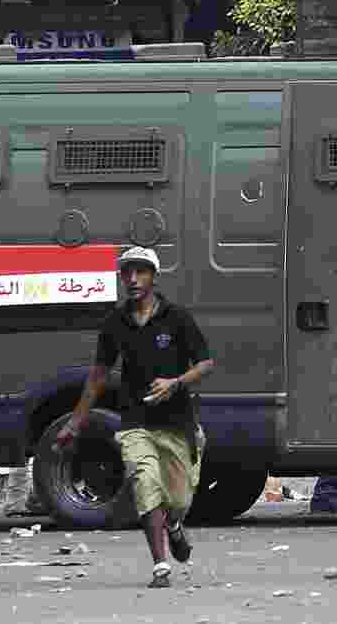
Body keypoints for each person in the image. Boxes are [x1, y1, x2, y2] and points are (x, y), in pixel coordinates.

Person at [54, 247, 214, 589]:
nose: (133, 279)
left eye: (140, 272)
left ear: (154, 276)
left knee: (179, 498)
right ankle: (160, 566)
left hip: (177, 423)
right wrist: (75, 421)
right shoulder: (116, 323)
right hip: (135, 420)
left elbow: (205, 363)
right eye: (127, 273)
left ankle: (174, 524)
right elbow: (98, 376)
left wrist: (175, 383)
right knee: (144, 481)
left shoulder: (177, 318)